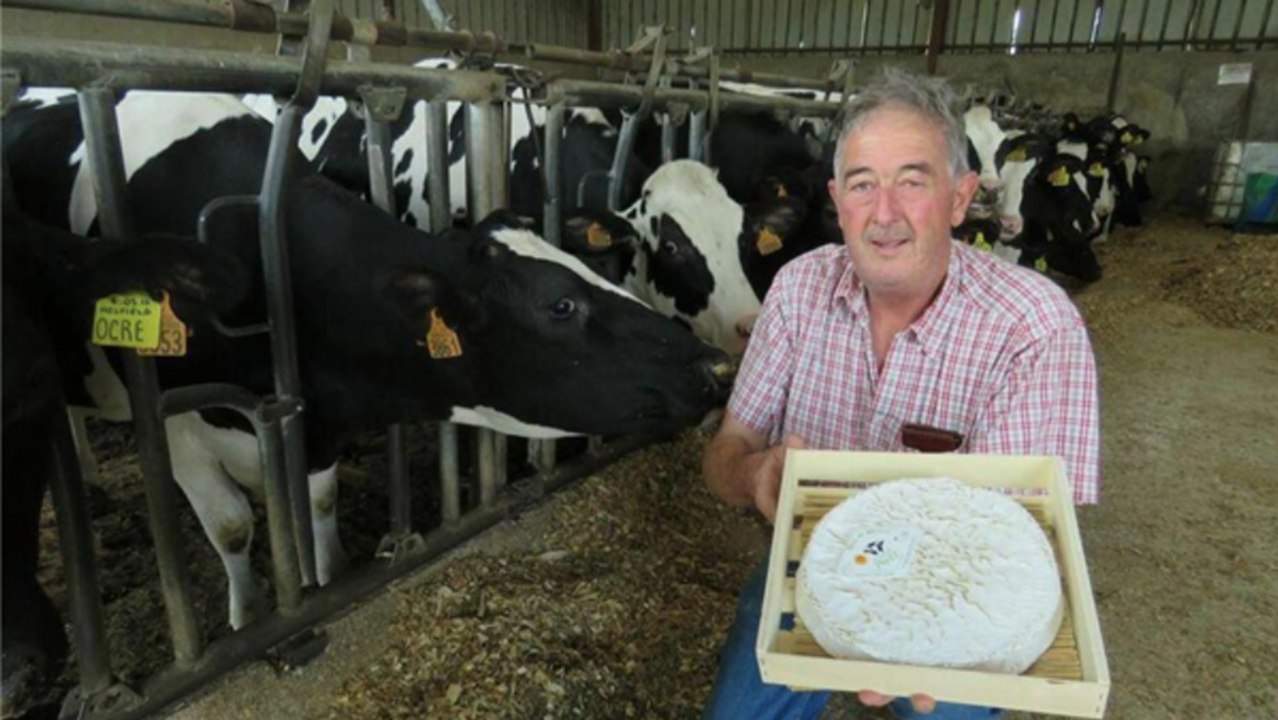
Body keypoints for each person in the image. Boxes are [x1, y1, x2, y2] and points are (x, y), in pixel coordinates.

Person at [700, 68, 1101, 720]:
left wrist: (903, 636)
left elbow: (1019, 546)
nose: (883, 214)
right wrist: (752, 477)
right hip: (814, 564)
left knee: (950, 702)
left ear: (959, 197)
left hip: (957, 592)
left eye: (912, 182)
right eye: (863, 185)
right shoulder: (799, 289)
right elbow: (725, 454)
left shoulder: (1032, 325)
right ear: (836, 198)